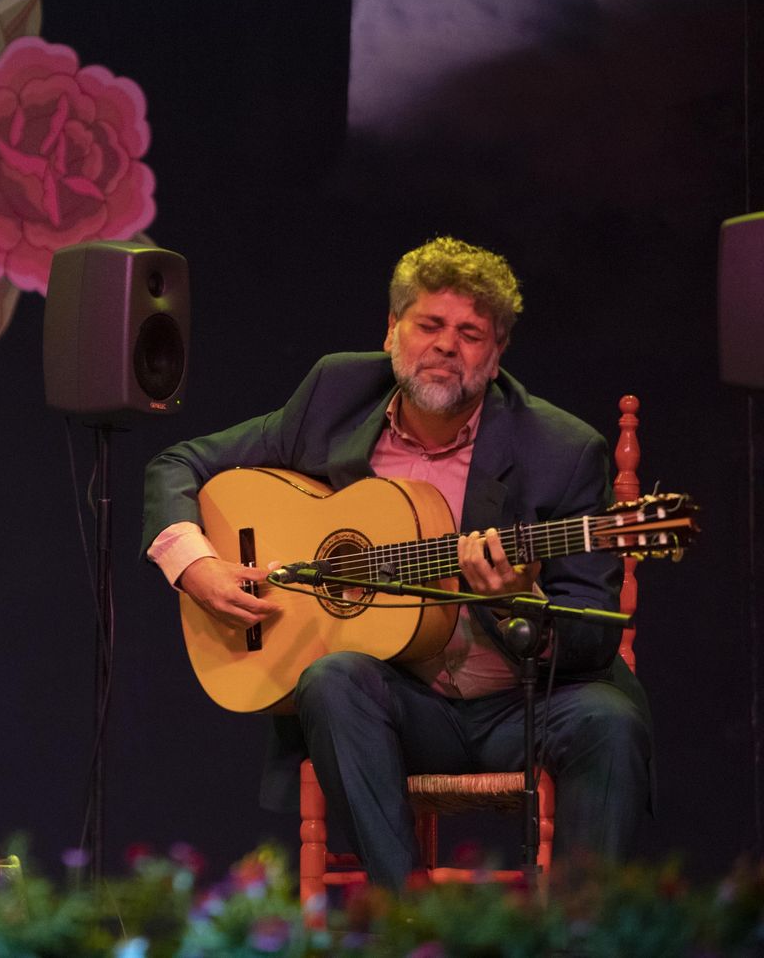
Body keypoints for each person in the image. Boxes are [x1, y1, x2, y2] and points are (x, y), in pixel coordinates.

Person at [141, 236, 651, 888]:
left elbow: (594, 632)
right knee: (330, 678)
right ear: (391, 332)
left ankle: (585, 936)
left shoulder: (564, 449)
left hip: (519, 711)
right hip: (402, 713)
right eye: (429, 325)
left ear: (495, 359)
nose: (446, 345)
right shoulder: (335, 395)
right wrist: (196, 565)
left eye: (471, 334)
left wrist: (515, 597)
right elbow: (178, 464)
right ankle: (408, 919)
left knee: (610, 722)